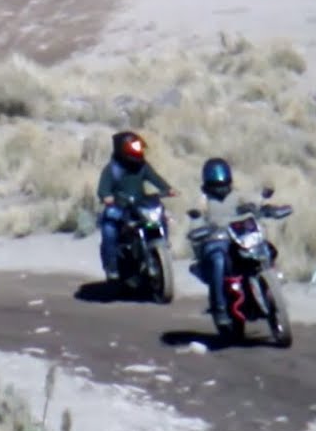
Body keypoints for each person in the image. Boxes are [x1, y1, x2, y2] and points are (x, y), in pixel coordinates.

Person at [95, 131, 176, 282]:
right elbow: (103, 189)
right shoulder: (112, 169)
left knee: (159, 217)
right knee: (109, 231)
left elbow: (155, 178)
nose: (138, 154)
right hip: (120, 208)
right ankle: (112, 267)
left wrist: (167, 189)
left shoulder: (142, 166)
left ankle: (161, 247)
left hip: (139, 206)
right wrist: (106, 197)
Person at [188, 157, 252, 330]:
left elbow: (250, 204)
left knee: (260, 249)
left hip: (235, 238)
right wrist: (198, 226)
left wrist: (257, 207)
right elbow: (196, 218)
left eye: (224, 181)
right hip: (214, 241)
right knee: (218, 260)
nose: (221, 186)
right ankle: (219, 307)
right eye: (216, 183)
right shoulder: (203, 199)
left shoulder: (236, 194)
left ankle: (267, 290)